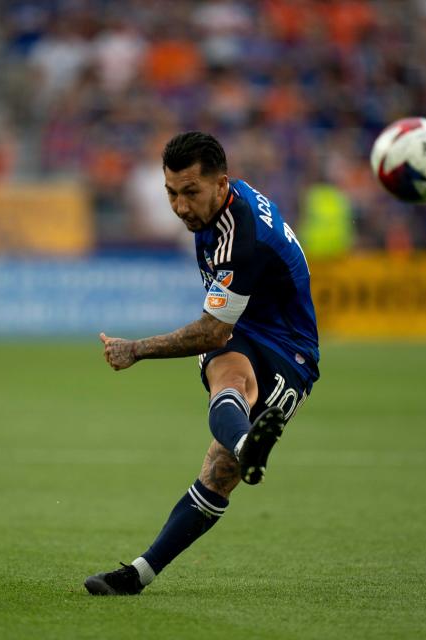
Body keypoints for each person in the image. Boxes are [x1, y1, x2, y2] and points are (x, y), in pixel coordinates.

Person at [85, 131, 320, 595]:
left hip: (291, 348)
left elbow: (213, 330)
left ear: (220, 183)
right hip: (248, 327)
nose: (179, 206)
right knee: (223, 437)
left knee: (221, 431)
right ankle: (139, 574)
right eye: (171, 192)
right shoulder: (218, 211)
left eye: (190, 192)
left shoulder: (240, 232)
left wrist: (137, 350)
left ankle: (243, 443)